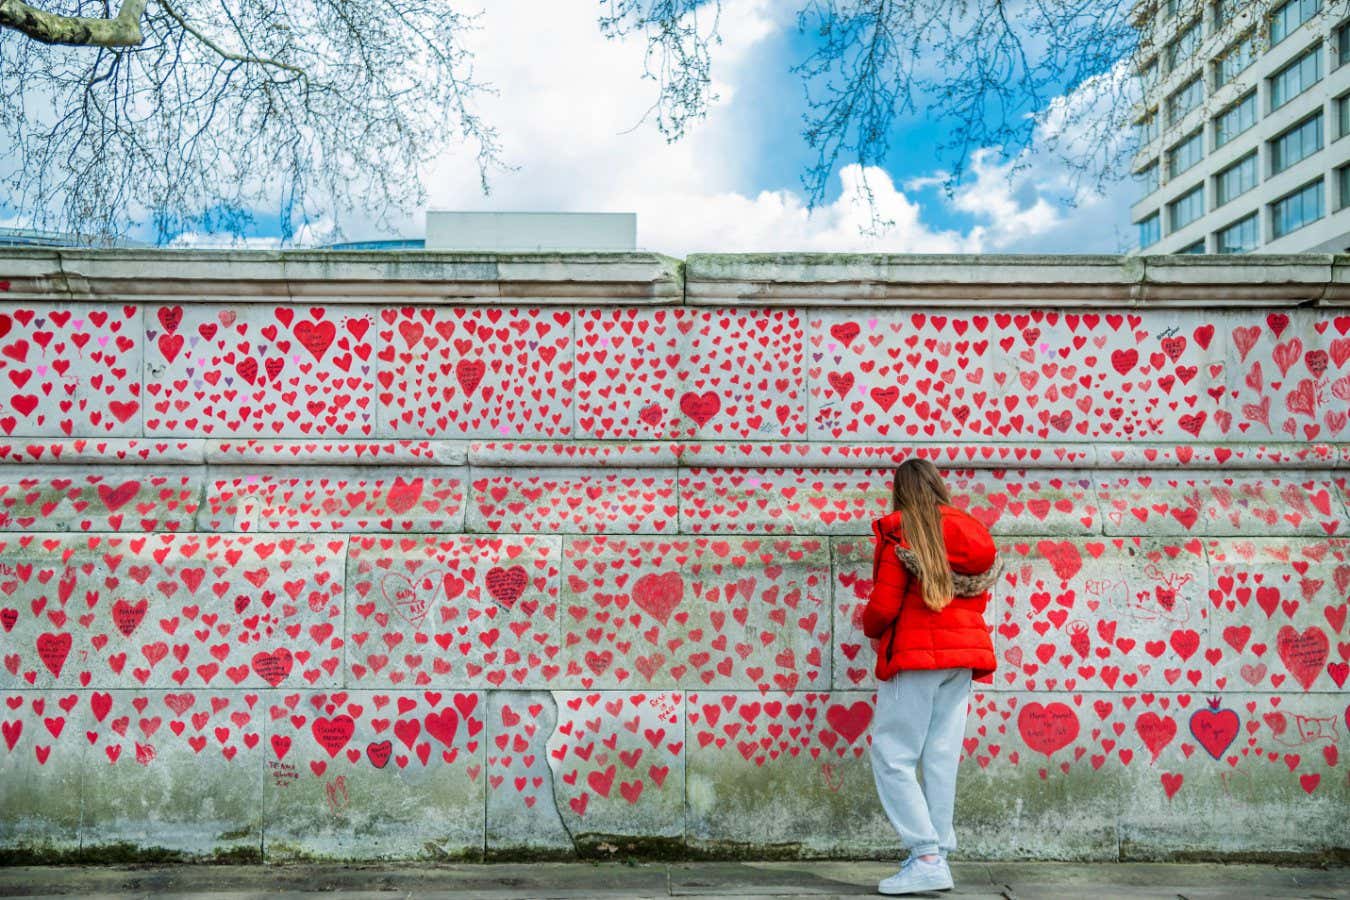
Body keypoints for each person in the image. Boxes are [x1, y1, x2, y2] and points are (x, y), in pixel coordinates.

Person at [862, 458, 1001, 895]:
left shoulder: (902, 531)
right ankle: (936, 855)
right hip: (961, 657)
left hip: (915, 656)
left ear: (901, 491)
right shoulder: (970, 534)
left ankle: (924, 855)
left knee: (892, 754)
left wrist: (868, 626)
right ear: (939, 487)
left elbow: (883, 608)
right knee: (941, 755)